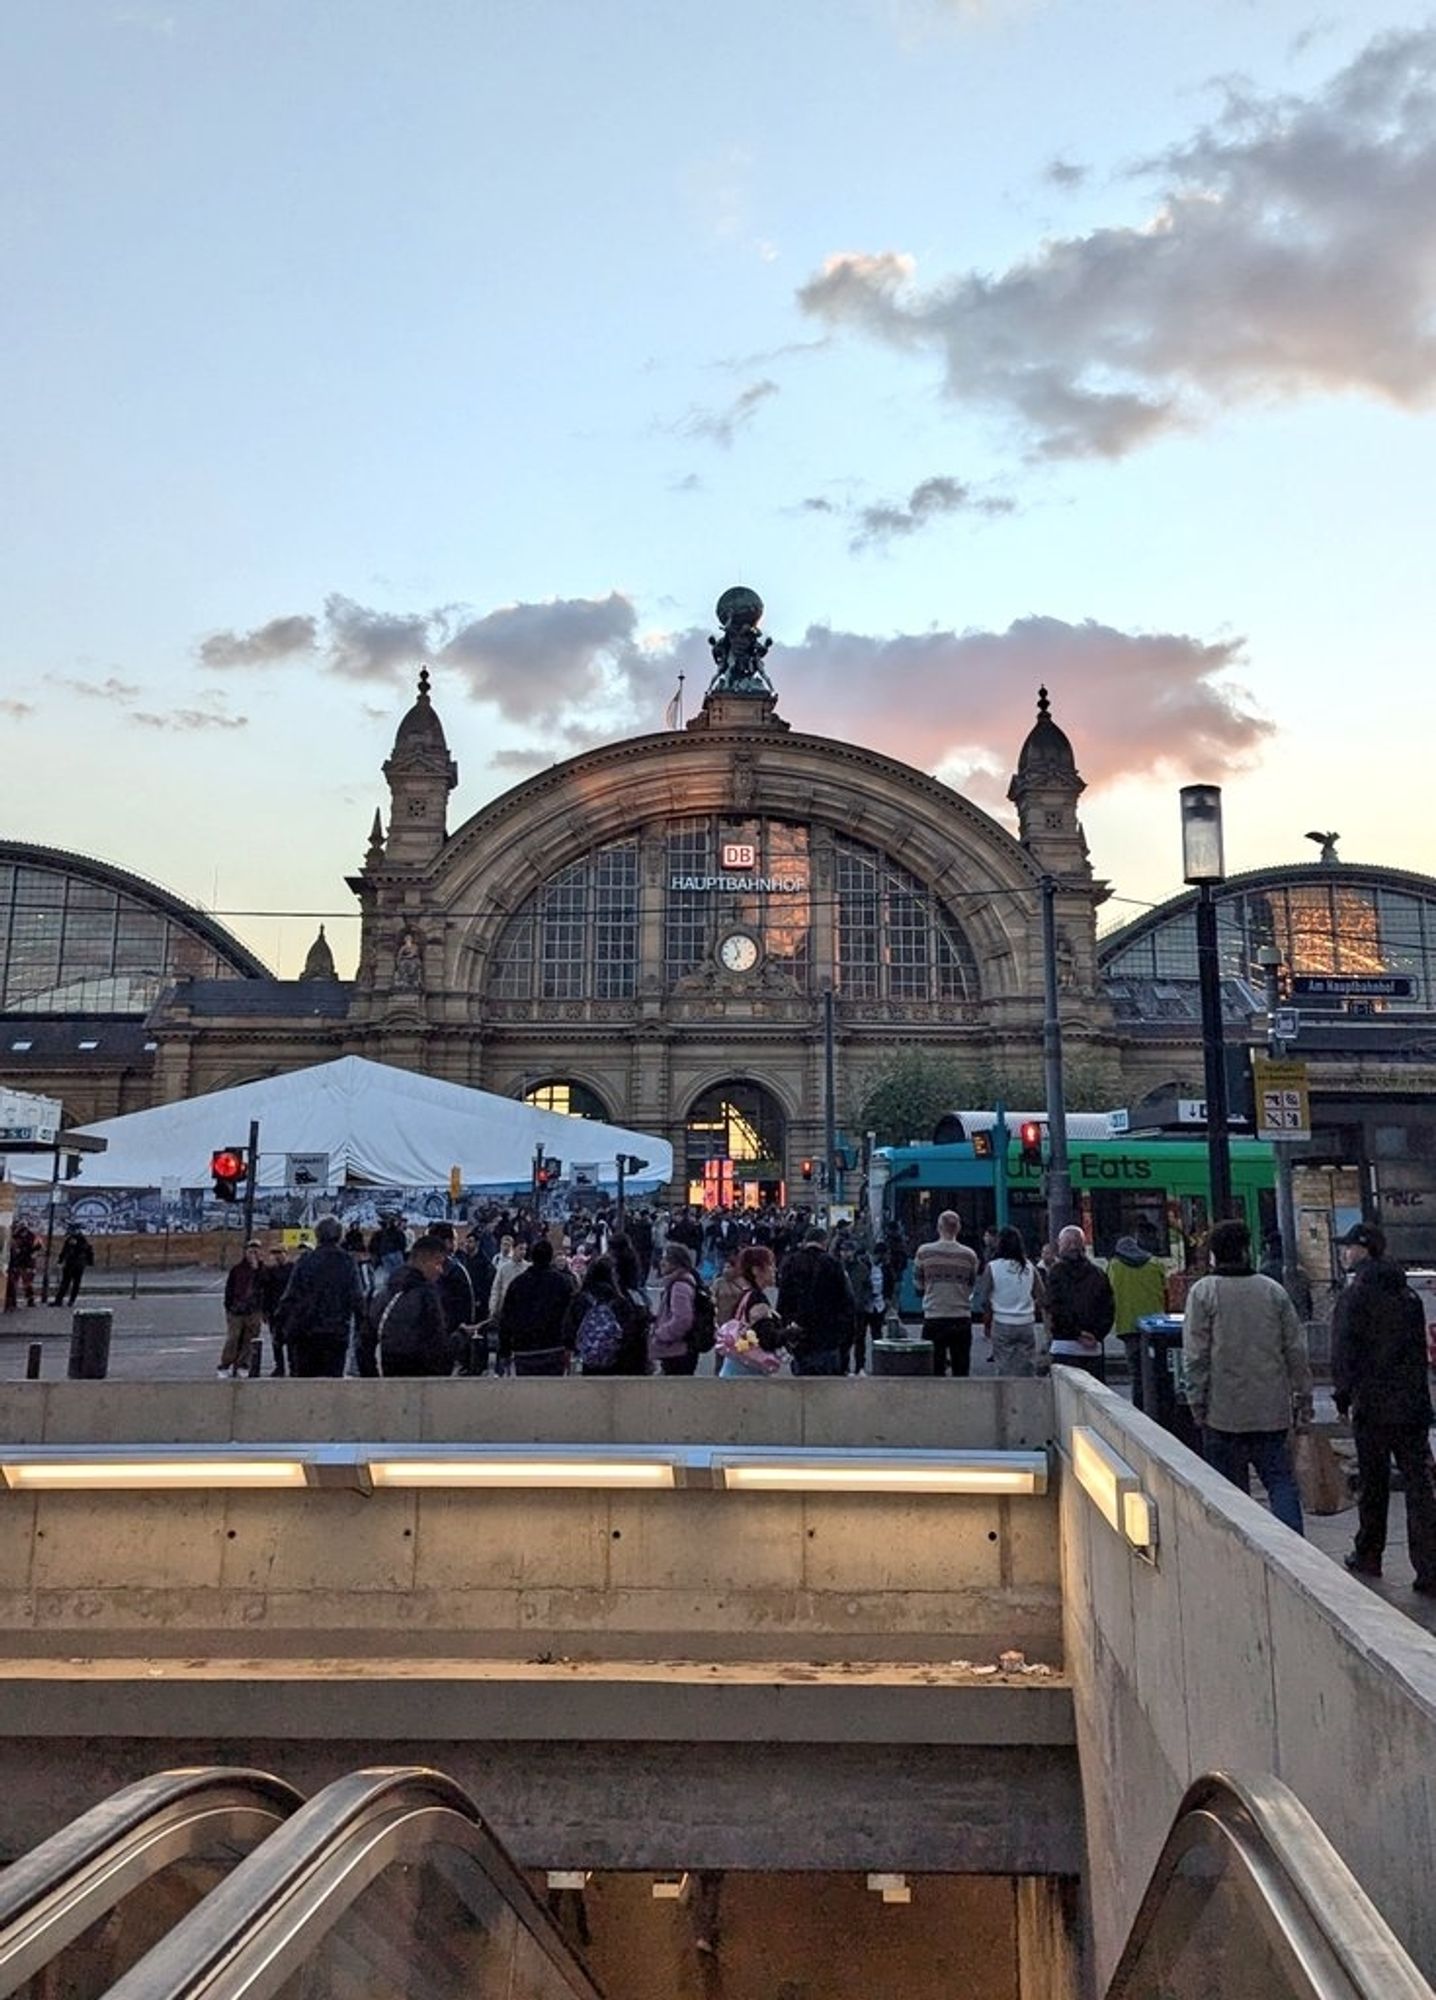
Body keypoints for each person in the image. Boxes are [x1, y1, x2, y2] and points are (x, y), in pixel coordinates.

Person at [1183, 1217, 1311, 1537]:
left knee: (1230, 1491)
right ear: (1246, 1250)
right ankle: (1293, 1544)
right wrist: (1302, 1395)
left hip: (1222, 1410)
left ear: (1214, 1254)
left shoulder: (1203, 1292)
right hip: (1271, 1409)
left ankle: (1241, 1549)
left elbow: (1196, 1355)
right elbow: (1295, 1349)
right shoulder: (1273, 1291)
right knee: (1280, 1481)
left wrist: (1195, 1400)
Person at [1331, 1222, 1436, 1594]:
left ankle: (1369, 1552)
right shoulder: (1408, 1295)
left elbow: (1345, 1351)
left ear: (1364, 1250)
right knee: (1420, 1486)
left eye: (1348, 1247)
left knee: (1373, 1484)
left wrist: (1343, 1397)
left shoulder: (1356, 1295)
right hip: (1411, 1406)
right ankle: (1429, 1567)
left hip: (1373, 1406)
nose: (1344, 1253)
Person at [280, 1215, 363, 1378]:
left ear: (317, 1236)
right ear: (340, 1236)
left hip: (306, 1331)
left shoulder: (305, 1261)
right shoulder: (347, 1262)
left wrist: (282, 1327)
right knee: (332, 1383)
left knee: (304, 1383)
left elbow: (290, 1296)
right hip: (336, 1333)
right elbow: (357, 1298)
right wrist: (362, 1329)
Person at [776, 1227, 853, 1376]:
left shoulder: (791, 1263)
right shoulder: (833, 1264)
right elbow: (847, 1303)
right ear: (825, 1242)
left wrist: (786, 1332)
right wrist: (845, 1340)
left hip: (799, 1335)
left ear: (805, 1241)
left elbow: (783, 1302)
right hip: (828, 1336)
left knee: (802, 1387)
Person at [913, 1211, 979, 1377]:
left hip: (934, 1317)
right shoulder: (969, 1255)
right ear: (958, 1228)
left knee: (934, 1369)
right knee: (961, 1369)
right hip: (961, 1317)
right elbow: (971, 1285)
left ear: (939, 1227)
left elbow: (918, 1284)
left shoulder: (924, 1252)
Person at [1044, 1225, 1115, 1379]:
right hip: (1093, 1348)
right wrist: (1096, 1334)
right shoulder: (1098, 1274)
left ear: (1063, 1245)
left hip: (1064, 1347)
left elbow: (1055, 1307)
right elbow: (1108, 1309)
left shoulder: (1056, 1273)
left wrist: (1076, 1333)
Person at [377, 1235, 453, 1377]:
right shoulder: (426, 1295)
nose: (441, 1270)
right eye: (438, 1263)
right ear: (424, 1262)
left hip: (386, 1377)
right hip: (421, 1381)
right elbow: (437, 1346)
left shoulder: (385, 1291)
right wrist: (459, 1338)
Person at [497, 1237, 575, 1376]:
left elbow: (506, 1319)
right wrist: (569, 1345)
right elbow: (571, 1317)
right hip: (554, 1348)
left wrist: (505, 1350)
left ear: (531, 1257)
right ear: (551, 1257)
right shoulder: (564, 1283)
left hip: (524, 1350)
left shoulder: (517, 1284)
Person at [563, 1253, 650, 1375]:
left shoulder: (580, 1299)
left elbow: (568, 1330)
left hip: (588, 1360)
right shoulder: (620, 1301)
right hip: (616, 1361)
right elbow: (630, 1331)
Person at [1108, 1234, 1168, 1409]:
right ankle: (1157, 1407)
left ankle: (1140, 1407)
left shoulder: (1115, 1266)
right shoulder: (1155, 1264)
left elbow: (1109, 1293)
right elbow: (1165, 1291)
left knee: (1136, 1373)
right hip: (1155, 1326)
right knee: (1155, 1371)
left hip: (1127, 1326)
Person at [974, 1225, 1044, 1377]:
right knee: (1028, 1367)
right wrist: (1032, 1307)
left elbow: (984, 1298)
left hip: (1002, 1323)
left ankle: (1006, 1398)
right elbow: (1042, 1295)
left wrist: (990, 1311)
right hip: (1026, 1323)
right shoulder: (1029, 1267)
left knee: (1004, 1367)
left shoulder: (993, 1267)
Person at [717, 1244, 785, 1377]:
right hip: (748, 1374)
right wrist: (789, 1334)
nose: (775, 1270)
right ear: (756, 1270)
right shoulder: (757, 1299)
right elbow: (766, 1338)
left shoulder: (746, 1295)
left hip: (735, 1368)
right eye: (770, 1265)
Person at [650, 1241, 701, 1376]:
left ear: (675, 1262)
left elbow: (682, 1319)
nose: (662, 1262)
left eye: (665, 1259)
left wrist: (661, 1333)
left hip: (677, 1349)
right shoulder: (682, 1281)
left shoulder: (679, 1286)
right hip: (680, 1349)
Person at [217, 1239, 265, 1379]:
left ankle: (243, 1364)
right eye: (250, 1251)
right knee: (233, 1338)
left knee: (249, 1339)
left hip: (253, 1310)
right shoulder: (237, 1269)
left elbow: (265, 1284)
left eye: (256, 1251)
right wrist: (229, 1306)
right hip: (236, 1311)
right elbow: (229, 1289)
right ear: (245, 1252)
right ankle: (225, 1364)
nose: (253, 1254)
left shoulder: (262, 1269)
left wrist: (257, 1270)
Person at [259, 1243, 294, 1375]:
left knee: (291, 1340)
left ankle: (292, 1365)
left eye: (279, 1253)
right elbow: (265, 1291)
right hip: (275, 1311)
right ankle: (280, 1367)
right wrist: (265, 1311)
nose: (277, 1256)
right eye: (275, 1254)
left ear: (285, 1254)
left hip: (289, 1311)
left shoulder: (292, 1269)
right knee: (276, 1341)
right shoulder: (270, 1271)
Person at [52, 1225, 94, 1308]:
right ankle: (61, 1300)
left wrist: (61, 1260)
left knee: (71, 1283)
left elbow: (86, 1250)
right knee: (68, 1282)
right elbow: (65, 1250)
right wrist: (60, 1260)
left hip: (76, 1264)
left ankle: (66, 1301)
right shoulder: (76, 1239)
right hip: (73, 1264)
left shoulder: (79, 1240)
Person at [487, 1234, 526, 1322]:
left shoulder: (528, 1268)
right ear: (515, 1248)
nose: (523, 1252)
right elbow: (496, 1289)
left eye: (525, 1249)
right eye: (521, 1249)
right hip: (505, 1308)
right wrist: (493, 1308)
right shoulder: (502, 1267)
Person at [4, 1219, 38, 1313]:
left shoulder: (31, 1236)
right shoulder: (16, 1236)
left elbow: (36, 1248)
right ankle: (12, 1303)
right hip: (18, 1262)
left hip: (26, 1262)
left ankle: (29, 1300)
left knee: (26, 1282)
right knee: (14, 1283)